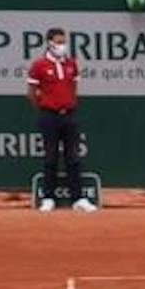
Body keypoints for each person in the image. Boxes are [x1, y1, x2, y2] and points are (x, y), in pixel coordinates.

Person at [27, 28, 94, 213]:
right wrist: (46, 106)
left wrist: (68, 104)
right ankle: (48, 198)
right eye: (58, 42)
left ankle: (78, 199)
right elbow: (31, 94)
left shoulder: (71, 64)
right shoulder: (39, 65)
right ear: (49, 42)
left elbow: (74, 87)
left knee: (73, 158)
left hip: (70, 115)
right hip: (49, 116)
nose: (61, 46)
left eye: (63, 42)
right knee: (51, 157)